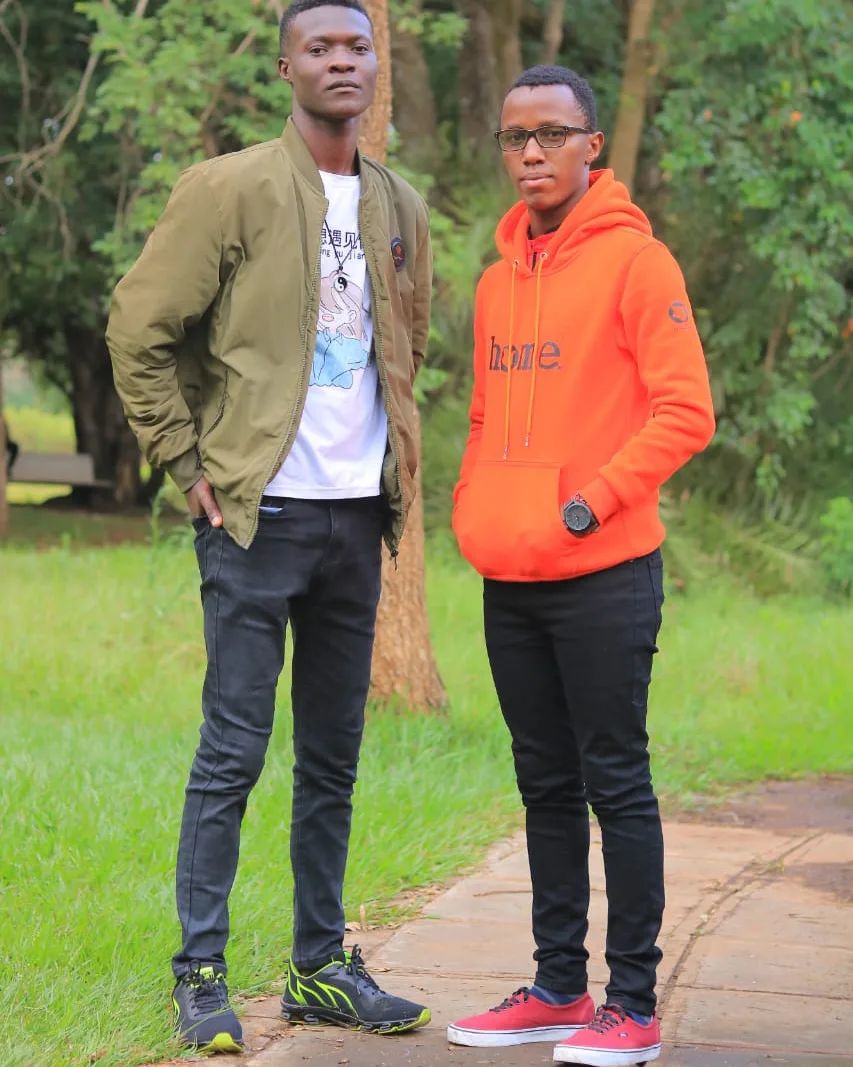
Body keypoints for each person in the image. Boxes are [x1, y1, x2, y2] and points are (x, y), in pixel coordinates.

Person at [106, 0, 432, 1053]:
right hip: (256, 516)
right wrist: (185, 459)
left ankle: (319, 966)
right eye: (320, 48)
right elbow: (139, 327)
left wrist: (391, 469)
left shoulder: (398, 203)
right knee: (233, 751)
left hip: (354, 518)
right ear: (286, 66)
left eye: (358, 47)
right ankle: (200, 973)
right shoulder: (229, 188)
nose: (343, 61)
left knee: (333, 755)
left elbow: (407, 340)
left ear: (375, 64)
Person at [447, 65, 714, 1067]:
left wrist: (590, 499)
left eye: (551, 134)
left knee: (615, 782)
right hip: (510, 575)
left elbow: (685, 410)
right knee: (543, 784)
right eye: (515, 136)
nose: (530, 153)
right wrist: (475, 507)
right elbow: (483, 414)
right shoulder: (495, 283)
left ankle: (632, 1004)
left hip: (603, 571)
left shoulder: (638, 263)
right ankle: (559, 986)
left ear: (590, 146)